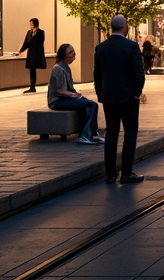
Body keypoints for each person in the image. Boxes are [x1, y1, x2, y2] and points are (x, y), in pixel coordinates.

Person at [93, 13, 146, 184]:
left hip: (109, 97)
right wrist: (137, 92)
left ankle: (110, 174)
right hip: (128, 96)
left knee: (111, 133)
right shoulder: (131, 46)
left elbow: (97, 74)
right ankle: (127, 172)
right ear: (124, 26)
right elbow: (139, 73)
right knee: (130, 132)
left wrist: (100, 93)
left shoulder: (101, 48)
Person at [47, 43, 102, 144]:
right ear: (64, 55)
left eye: (73, 51)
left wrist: (77, 95)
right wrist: (75, 95)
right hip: (57, 101)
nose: (74, 54)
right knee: (91, 105)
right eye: (70, 52)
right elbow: (59, 90)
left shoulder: (65, 67)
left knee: (91, 104)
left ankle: (93, 134)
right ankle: (84, 135)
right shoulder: (58, 69)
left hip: (64, 98)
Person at [19, 17, 47, 94]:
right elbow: (26, 43)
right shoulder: (29, 32)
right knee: (31, 70)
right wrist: (21, 50)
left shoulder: (41, 32)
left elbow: (40, 43)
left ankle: (33, 86)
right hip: (31, 54)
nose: (30, 25)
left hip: (37, 53)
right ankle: (32, 87)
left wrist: (35, 33)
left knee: (33, 69)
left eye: (31, 24)